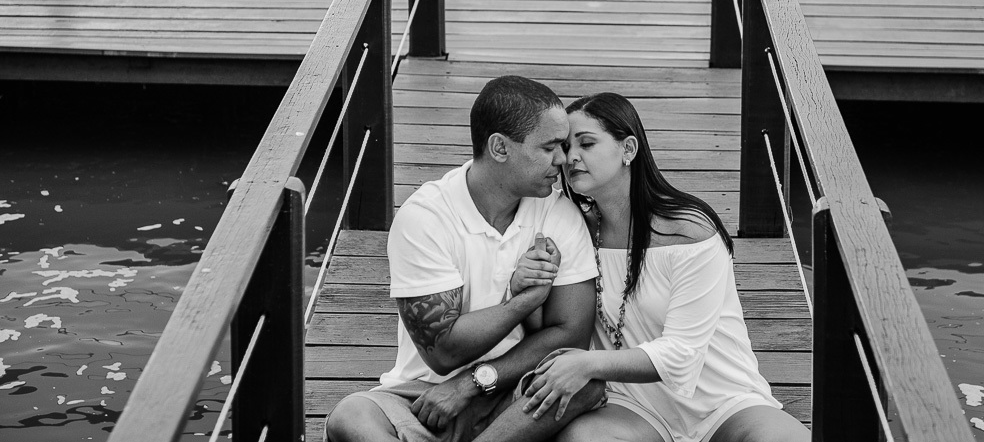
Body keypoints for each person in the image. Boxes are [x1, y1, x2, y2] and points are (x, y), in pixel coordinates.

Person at [515, 92, 812, 442]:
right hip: (633, 406)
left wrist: (586, 364)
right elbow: (550, 328)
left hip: (723, 404)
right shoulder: (572, 229)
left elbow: (681, 354)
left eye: (587, 143)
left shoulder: (689, 231)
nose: (572, 157)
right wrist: (525, 288)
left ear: (628, 149)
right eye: (566, 146)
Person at [325, 75, 603, 442]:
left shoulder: (558, 212)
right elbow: (444, 352)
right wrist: (521, 302)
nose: (563, 160)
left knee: (584, 383)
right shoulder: (425, 217)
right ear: (500, 148)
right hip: (425, 395)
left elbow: (570, 336)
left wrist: (472, 384)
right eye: (550, 147)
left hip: (514, 394)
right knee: (351, 416)